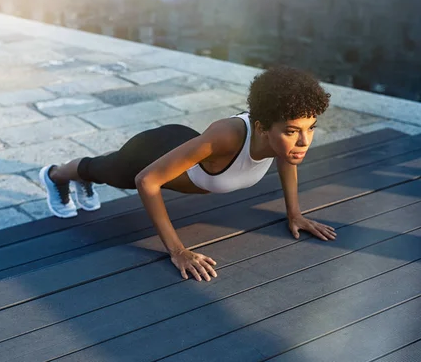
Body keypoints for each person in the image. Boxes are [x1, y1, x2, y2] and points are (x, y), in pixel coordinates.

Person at [39, 66, 337, 282]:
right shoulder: (227, 136)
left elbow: (287, 159)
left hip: (186, 149)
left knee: (104, 169)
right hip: (153, 150)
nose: (304, 141)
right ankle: (54, 175)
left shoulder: (280, 142)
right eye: (292, 131)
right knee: (104, 170)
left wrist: (294, 214)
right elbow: (147, 180)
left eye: (310, 128)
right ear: (261, 127)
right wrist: (178, 251)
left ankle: (81, 178)